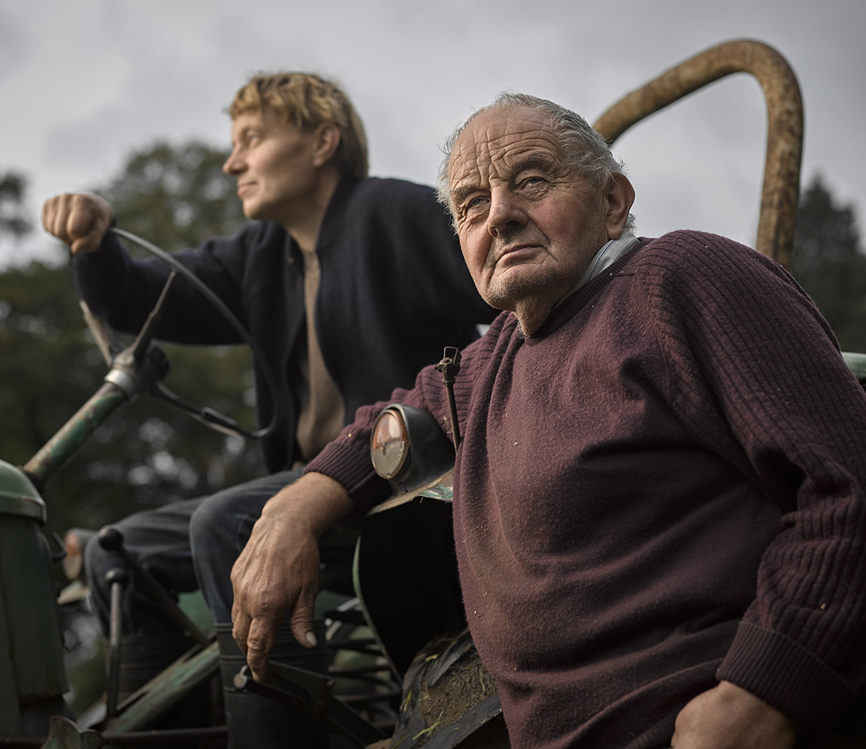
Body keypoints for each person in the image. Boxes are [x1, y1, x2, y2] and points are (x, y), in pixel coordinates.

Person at [230, 92, 866, 748]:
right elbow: (384, 426)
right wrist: (288, 513)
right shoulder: (493, 358)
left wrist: (764, 691)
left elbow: (848, 481)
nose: (500, 216)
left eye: (532, 180)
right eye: (472, 203)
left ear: (613, 201)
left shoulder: (679, 279)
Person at [41, 72, 495, 744]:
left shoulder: (395, 214)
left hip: (407, 482)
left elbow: (509, 287)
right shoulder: (259, 256)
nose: (233, 162)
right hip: (307, 482)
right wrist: (94, 244)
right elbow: (136, 295)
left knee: (225, 520)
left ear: (322, 143)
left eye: (251, 139)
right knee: (120, 553)